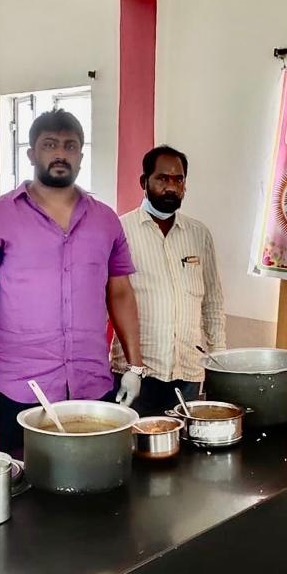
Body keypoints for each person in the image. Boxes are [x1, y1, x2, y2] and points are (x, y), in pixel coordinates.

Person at [0, 109, 144, 454]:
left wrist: (135, 366)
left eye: (70, 146)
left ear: (81, 156)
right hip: (19, 389)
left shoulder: (105, 220)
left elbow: (120, 293)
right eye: (50, 144)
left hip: (91, 384)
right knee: (24, 481)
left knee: (94, 477)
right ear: (31, 153)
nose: (61, 154)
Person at [111, 145, 226, 415]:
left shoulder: (198, 234)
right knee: (133, 441)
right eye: (162, 178)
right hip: (136, 374)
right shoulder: (120, 231)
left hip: (188, 372)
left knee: (186, 441)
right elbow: (107, 301)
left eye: (178, 180)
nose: (171, 187)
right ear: (144, 181)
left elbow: (212, 302)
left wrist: (220, 362)